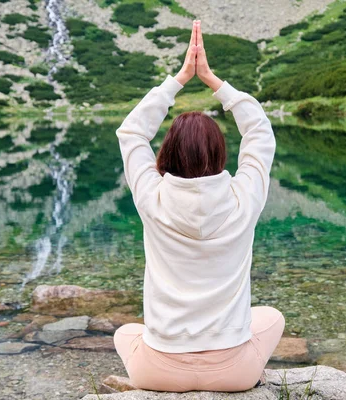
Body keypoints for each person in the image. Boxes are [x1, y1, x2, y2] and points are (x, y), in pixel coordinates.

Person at [113, 20, 283, 392]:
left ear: (167, 153)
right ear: (221, 152)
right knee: (271, 318)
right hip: (234, 373)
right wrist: (213, 81)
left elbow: (131, 131)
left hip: (157, 372)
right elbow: (259, 132)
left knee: (126, 332)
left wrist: (178, 80)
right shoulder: (244, 197)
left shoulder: (151, 198)